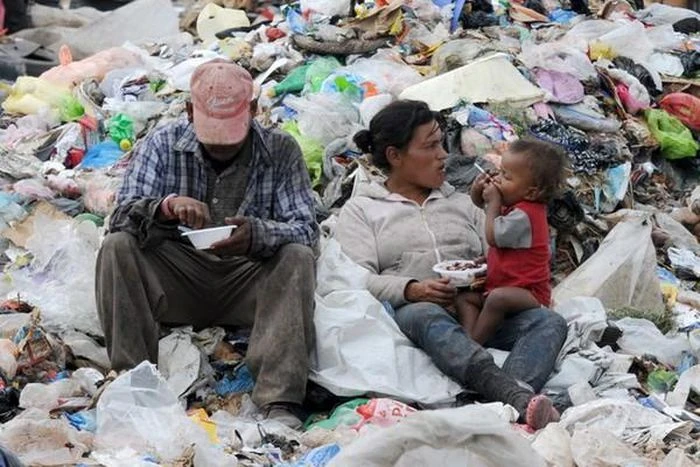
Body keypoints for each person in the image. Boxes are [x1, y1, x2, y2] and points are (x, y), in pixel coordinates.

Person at [95, 60, 318, 429]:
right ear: (188, 112)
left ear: (253, 110)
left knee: (296, 256)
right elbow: (119, 218)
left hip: (248, 282)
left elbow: (306, 229)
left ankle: (278, 399)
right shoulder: (162, 144)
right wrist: (164, 208)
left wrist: (258, 234)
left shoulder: (280, 150)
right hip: (178, 277)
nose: (221, 150)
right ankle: (134, 384)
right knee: (118, 247)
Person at [334, 100, 567, 430]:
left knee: (548, 321)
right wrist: (413, 289)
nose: (444, 154)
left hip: (477, 309)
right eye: (430, 146)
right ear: (394, 156)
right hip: (419, 313)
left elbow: (501, 252)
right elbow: (355, 277)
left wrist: (482, 271)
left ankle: (508, 399)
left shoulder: (461, 203)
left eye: (442, 143)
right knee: (426, 316)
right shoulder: (363, 210)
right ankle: (512, 394)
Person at [456, 139, 567, 344]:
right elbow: (483, 207)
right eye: (500, 172)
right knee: (464, 298)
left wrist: (494, 201)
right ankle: (471, 336)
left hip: (529, 293)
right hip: (501, 285)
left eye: (506, 177)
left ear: (531, 192)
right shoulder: (515, 204)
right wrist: (477, 190)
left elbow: (493, 236)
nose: (498, 179)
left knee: (498, 299)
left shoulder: (527, 214)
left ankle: (473, 345)